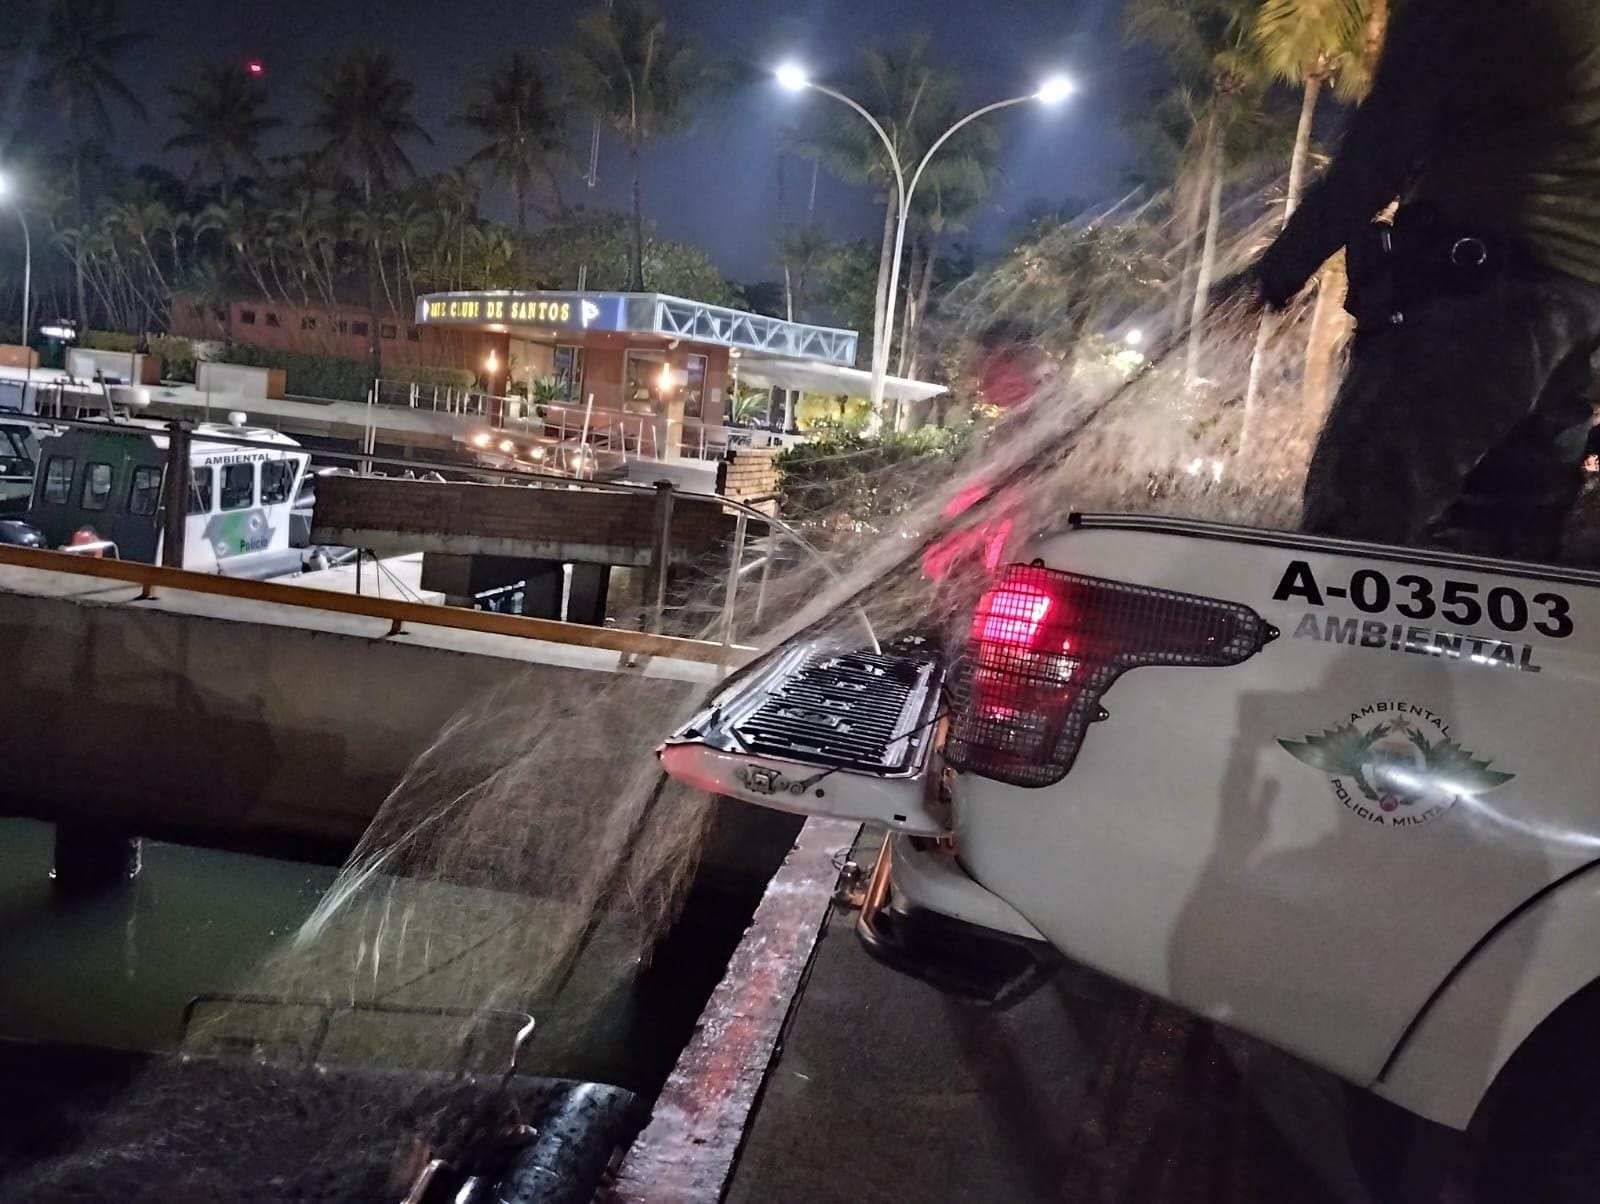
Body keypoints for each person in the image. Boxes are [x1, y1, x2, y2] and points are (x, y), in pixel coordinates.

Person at [1241, 0, 1600, 562]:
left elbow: (1388, 135)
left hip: (1471, 296)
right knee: (1502, 563)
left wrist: (1278, 271)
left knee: (1349, 539)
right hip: (1579, 317)